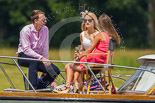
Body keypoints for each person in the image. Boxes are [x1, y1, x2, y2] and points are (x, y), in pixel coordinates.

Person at [53, 11, 101, 93]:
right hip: (84, 59)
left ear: (94, 21)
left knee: (69, 66)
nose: (87, 22)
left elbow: (95, 50)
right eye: (85, 20)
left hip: (94, 60)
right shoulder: (82, 34)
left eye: (89, 20)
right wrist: (78, 54)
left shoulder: (97, 34)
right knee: (69, 66)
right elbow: (82, 49)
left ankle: (69, 86)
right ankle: (74, 86)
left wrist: (80, 56)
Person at [17, 10, 60, 90]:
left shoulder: (45, 29)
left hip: (38, 58)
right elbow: (26, 50)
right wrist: (41, 58)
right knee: (34, 61)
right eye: (43, 20)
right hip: (24, 56)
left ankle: (39, 88)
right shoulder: (25, 30)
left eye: (45, 19)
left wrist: (46, 60)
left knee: (55, 70)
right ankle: (32, 89)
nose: (46, 21)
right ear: (36, 21)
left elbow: (45, 47)